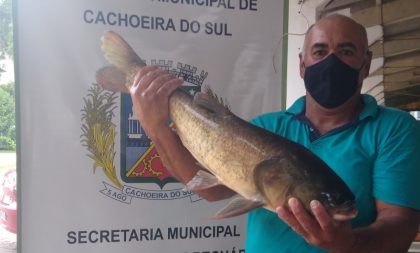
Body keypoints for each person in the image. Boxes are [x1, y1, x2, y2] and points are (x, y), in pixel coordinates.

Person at [129, 14, 420, 253]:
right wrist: (154, 127)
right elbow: (211, 188)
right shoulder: (266, 127)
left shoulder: (395, 128)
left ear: (365, 64)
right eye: (320, 51)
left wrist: (350, 244)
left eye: (346, 51)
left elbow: (400, 225)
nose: (331, 62)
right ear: (302, 65)